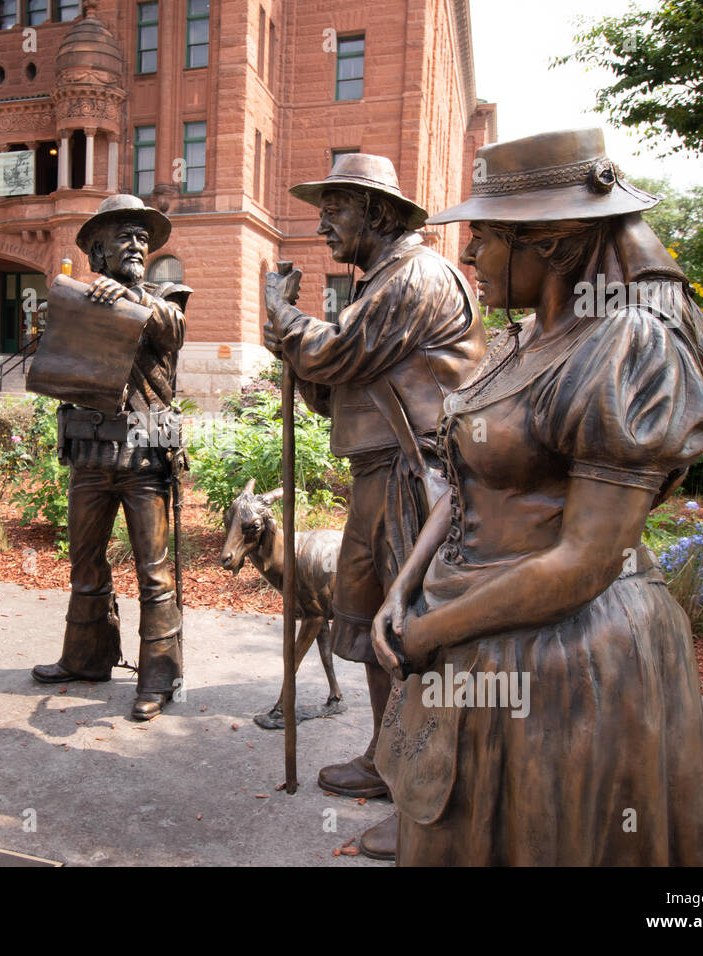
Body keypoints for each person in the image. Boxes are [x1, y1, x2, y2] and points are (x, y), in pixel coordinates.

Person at [370, 128, 703, 865]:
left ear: (552, 246)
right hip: (475, 623)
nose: (466, 256)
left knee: (543, 838)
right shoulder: (513, 345)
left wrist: (433, 633)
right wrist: (404, 590)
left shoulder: (626, 349)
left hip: (571, 651)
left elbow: (586, 560)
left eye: (485, 238)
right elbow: (465, 484)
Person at [263, 154, 485, 859]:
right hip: (379, 473)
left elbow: (339, 352)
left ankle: (424, 793)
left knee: (409, 630)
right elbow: (336, 381)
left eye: (338, 210)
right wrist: (302, 353)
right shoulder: (379, 282)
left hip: (415, 476)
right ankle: (389, 759)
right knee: (364, 620)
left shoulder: (415, 275)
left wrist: (282, 320)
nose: (323, 224)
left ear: (378, 214)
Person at [32, 195, 191, 722]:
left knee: (153, 573)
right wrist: (82, 304)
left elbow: (170, 328)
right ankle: (87, 658)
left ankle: (159, 679)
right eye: (124, 236)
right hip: (90, 456)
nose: (137, 244)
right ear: (96, 251)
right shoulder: (81, 299)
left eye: (142, 237)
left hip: (145, 460)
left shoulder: (164, 295)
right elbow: (57, 362)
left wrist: (127, 297)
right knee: (86, 563)